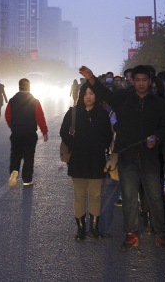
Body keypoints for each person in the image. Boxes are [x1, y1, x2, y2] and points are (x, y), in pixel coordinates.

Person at [78, 64, 165, 252]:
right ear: (132, 81)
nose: (140, 84)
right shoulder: (123, 98)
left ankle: (161, 233)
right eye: (137, 80)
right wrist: (91, 78)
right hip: (127, 156)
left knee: (155, 196)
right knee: (129, 198)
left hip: (150, 158)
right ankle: (131, 233)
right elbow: (104, 93)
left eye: (144, 80)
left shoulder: (159, 104)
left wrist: (157, 138)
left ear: (150, 81)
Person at [60, 82, 113, 241]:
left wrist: (101, 146)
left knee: (96, 195)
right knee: (79, 195)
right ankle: (81, 229)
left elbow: (108, 135)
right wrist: (74, 144)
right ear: (80, 95)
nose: (88, 97)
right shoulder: (73, 112)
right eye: (85, 94)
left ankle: (94, 228)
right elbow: (64, 131)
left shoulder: (102, 114)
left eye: (91, 93)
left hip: (97, 160)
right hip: (78, 160)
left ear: (96, 96)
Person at [5, 78, 48, 187]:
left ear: (19, 87)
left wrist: (13, 127)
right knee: (29, 156)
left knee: (15, 154)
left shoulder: (12, 100)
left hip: (16, 133)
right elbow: (40, 117)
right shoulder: (34, 101)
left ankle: (14, 172)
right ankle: (27, 180)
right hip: (29, 133)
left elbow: (8, 116)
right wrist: (44, 131)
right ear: (29, 87)